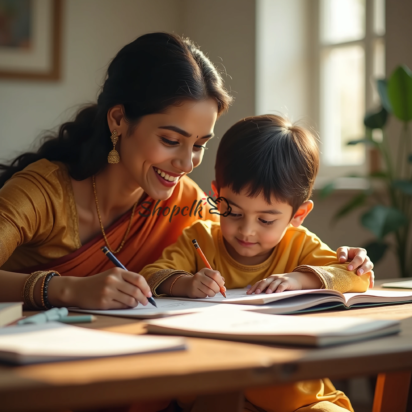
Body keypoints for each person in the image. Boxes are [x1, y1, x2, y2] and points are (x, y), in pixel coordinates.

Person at [0, 32, 373, 412]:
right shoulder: (44, 190)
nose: (187, 164)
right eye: (172, 140)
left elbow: (238, 238)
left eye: (200, 145)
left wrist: (348, 264)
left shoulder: (186, 201)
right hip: (31, 382)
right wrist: (67, 290)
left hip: (144, 380)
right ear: (118, 119)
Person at [140, 115, 370, 412]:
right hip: (214, 394)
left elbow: (355, 277)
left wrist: (299, 281)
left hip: (298, 399)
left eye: (265, 219)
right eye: (232, 212)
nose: (246, 231)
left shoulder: (299, 244)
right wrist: (185, 283)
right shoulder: (201, 238)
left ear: (298, 215)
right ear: (216, 195)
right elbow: (150, 276)